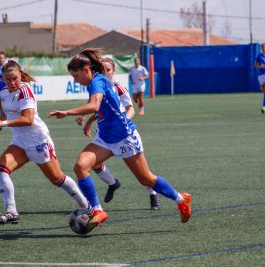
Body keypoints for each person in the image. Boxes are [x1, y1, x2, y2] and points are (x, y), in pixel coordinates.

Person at [48, 48, 192, 231]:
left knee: (146, 179)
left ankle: (181, 200)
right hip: (105, 138)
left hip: (124, 137)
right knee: (81, 166)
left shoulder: (97, 81)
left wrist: (67, 112)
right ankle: (98, 210)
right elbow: (101, 109)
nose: (74, 80)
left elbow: (94, 105)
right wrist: (89, 122)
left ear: (85, 70)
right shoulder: (95, 82)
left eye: (75, 75)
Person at [0, 60, 89, 225]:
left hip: (38, 141)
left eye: (14, 78)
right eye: (7, 80)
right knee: (0, 170)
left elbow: (28, 119)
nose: (12, 83)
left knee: (57, 179)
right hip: (20, 142)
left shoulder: (25, 91)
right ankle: (11, 211)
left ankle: (87, 205)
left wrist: (3, 123)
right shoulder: (4, 93)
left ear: (20, 75)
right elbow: (8, 114)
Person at [75, 57, 160, 210]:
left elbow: (130, 109)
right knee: (94, 163)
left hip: (123, 133)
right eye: (103, 69)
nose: (105, 72)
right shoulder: (97, 85)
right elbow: (98, 108)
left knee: (141, 171)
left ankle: (152, 193)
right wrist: (87, 120)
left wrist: (121, 123)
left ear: (114, 71)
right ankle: (112, 184)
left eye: (108, 70)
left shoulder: (118, 88)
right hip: (104, 133)